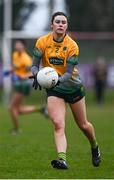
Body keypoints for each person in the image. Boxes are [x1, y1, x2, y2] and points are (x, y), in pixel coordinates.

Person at [30, 12, 101, 169]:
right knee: (57, 123)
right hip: (54, 90)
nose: (61, 24)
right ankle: (62, 160)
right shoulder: (42, 42)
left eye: (63, 22)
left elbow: (68, 73)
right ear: (52, 25)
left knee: (83, 125)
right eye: (57, 21)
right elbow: (34, 65)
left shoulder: (72, 46)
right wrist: (36, 75)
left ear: (66, 26)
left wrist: (56, 81)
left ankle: (94, 146)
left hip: (73, 87)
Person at [9, 39, 48, 135]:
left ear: (24, 47)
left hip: (23, 84)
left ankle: (17, 130)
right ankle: (40, 109)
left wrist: (21, 76)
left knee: (12, 108)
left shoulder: (26, 59)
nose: (17, 46)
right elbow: (16, 68)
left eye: (19, 45)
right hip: (18, 83)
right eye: (16, 44)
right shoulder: (14, 55)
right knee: (19, 109)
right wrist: (11, 71)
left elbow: (31, 72)